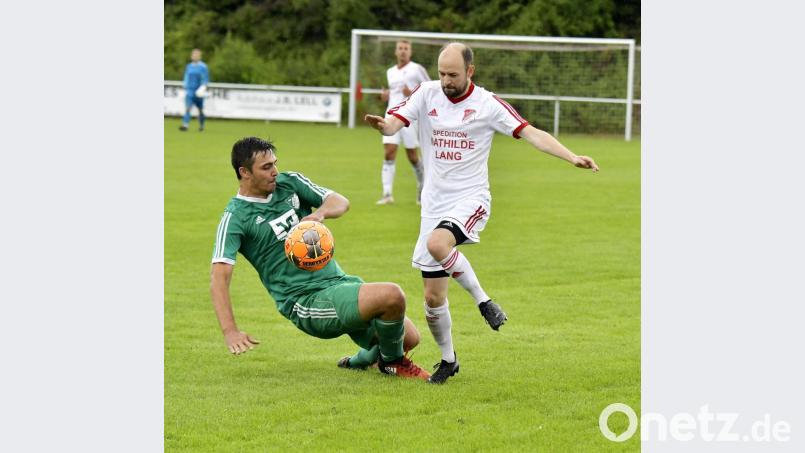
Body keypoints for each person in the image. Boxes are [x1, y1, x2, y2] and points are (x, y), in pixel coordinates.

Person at [364, 43, 599, 384]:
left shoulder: (487, 104)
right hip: (434, 205)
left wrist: (572, 156)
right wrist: (382, 125)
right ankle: (449, 360)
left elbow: (531, 133)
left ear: (470, 71)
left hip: (470, 199)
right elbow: (392, 124)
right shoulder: (427, 93)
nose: (446, 80)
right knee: (432, 297)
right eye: (442, 73)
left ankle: (484, 301)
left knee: (437, 244)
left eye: (453, 74)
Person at [210, 137, 430, 380]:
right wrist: (230, 331)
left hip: (338, 281)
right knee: (392, 296)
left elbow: (340, 202)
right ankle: (392, 363)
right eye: (266, 167)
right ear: (244, 172)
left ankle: (360, 361)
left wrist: (320, 214)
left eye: (275, 163)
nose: (275, 172)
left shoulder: (289, 183)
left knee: (409, 338)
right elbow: (219, 277)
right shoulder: (235, 218)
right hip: (305, 300)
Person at [376, 40, 431, 205]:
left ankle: (422, 188)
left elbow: (430, 89)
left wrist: (412, 93)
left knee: (412, 156)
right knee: (389, 152)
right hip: (391, 116)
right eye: (400, 48)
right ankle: (387, 194)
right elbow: (394, 93)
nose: (403, 51)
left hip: (409, 118)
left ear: (410, 52)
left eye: (406, 48)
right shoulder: (390, 72)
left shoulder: (417, 69)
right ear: (395, 51)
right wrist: (385, 96)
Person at [180, 48, 209, 132]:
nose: (195, 56)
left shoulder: (203, 67)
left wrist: (203, 87)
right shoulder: (189, 66)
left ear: (200, 56)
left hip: (199, 92)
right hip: (190, 91)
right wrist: (184, 86)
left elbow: (205, 79)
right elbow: (186, 77)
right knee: (188, 108)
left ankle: (201, 126)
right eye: (193, 54)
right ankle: (185, 125)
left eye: (196, 55)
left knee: (200, 110)